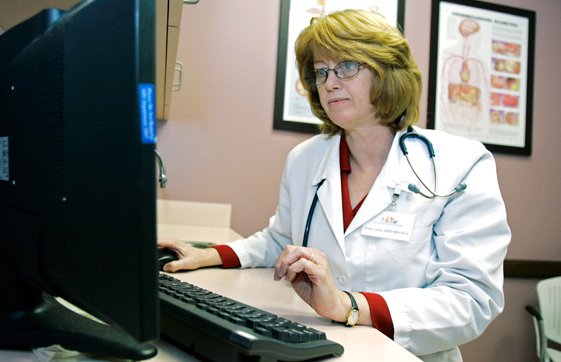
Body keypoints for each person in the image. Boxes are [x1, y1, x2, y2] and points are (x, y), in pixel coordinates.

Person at [159, 8, 510, 362]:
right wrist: (211, 254)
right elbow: (281, 239)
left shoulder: (459, 163)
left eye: (346, 66)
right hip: (324, 348)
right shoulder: (305, 159)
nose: (329, 82)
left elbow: (471, 299)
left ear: (388, 72)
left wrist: (349, 306)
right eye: (321, 72)